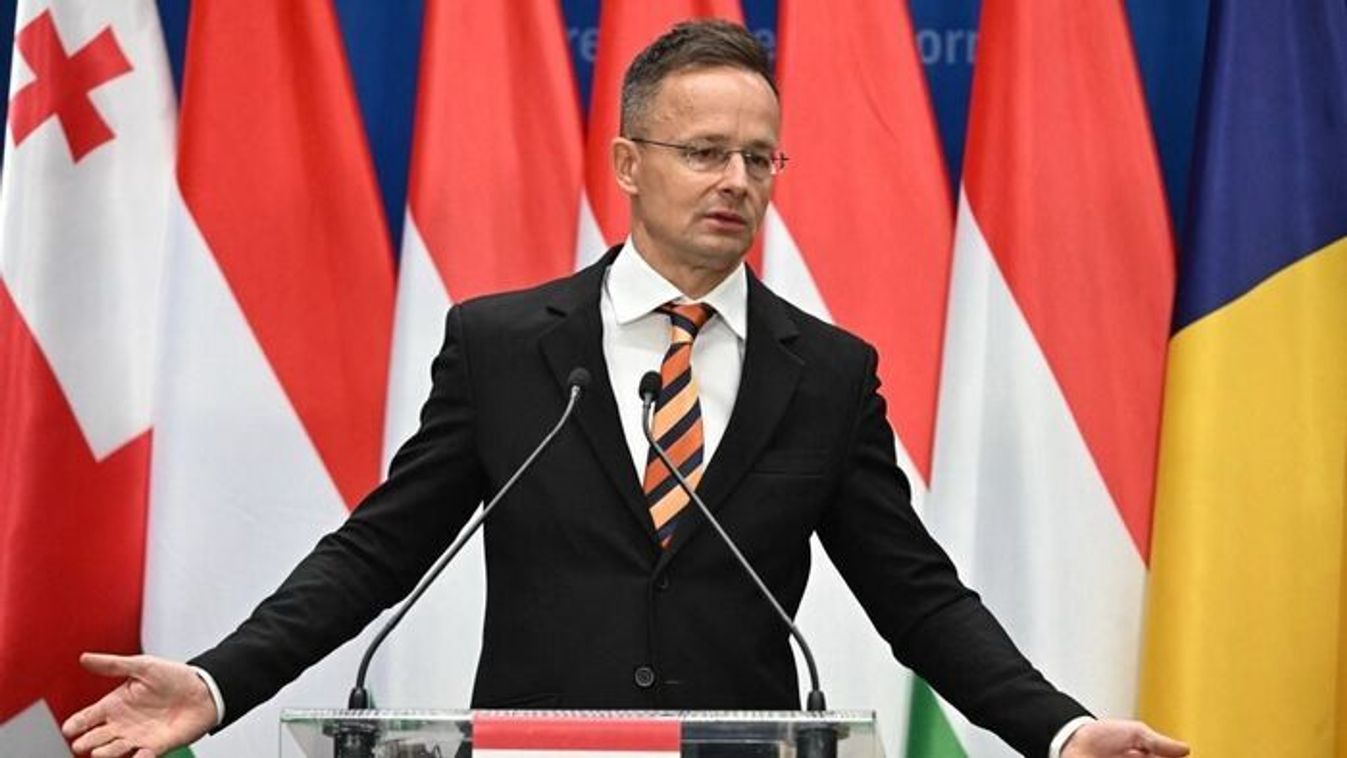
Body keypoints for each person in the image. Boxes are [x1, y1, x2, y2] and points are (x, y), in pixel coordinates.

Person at [61, 20, 1188, 758]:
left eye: (759, 157)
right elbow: (378, 550)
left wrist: (1059, 730)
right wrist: (217, 682)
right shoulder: (507, 347)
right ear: (628, 163)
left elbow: (919, 599)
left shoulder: (828, 372)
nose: (736, 181)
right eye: (704, 152)